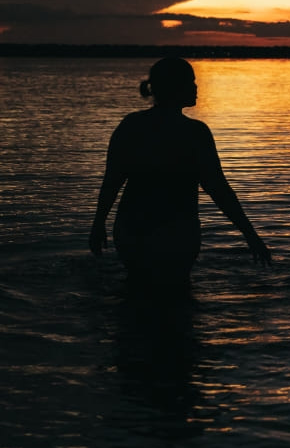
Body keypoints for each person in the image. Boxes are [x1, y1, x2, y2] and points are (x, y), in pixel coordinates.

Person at [89, 57, 271, 287]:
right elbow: (218, 189)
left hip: (132, 230)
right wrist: (250, 235)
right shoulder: (195, 133)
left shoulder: (132, 126)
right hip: (177, 233)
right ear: (175, 87)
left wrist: (98, 224)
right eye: (191, 82)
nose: (196, 87)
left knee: (134, 296)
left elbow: (112, 180)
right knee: (177, 301)